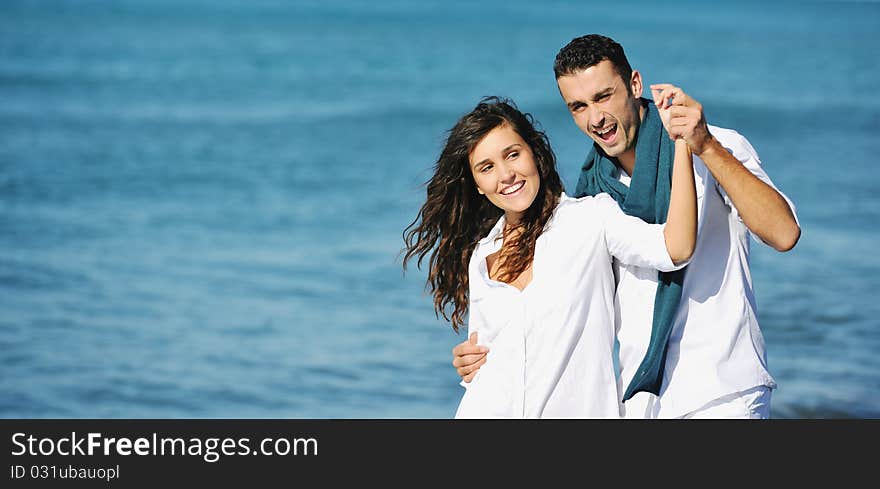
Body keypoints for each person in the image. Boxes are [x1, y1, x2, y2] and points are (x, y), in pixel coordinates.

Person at [452, 34, 801, 419]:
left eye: (603, 97)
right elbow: (564, 313)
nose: (595, 118)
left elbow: (783, 233)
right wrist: (485, 356)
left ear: (635, 85)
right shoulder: (590, 196)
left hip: (720, 391)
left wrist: (702, 146)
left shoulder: (714, 146)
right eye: (578, 107)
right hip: (641, 402)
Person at [403, 96, 697, 417]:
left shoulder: (589, 219)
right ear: (476, 184)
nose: (506, 175)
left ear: (534, 152)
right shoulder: (482, 256)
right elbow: (481, 362)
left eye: (512, 155)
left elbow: (675, 248)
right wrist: (468, 361)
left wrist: (682, 144)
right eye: (487, 168)